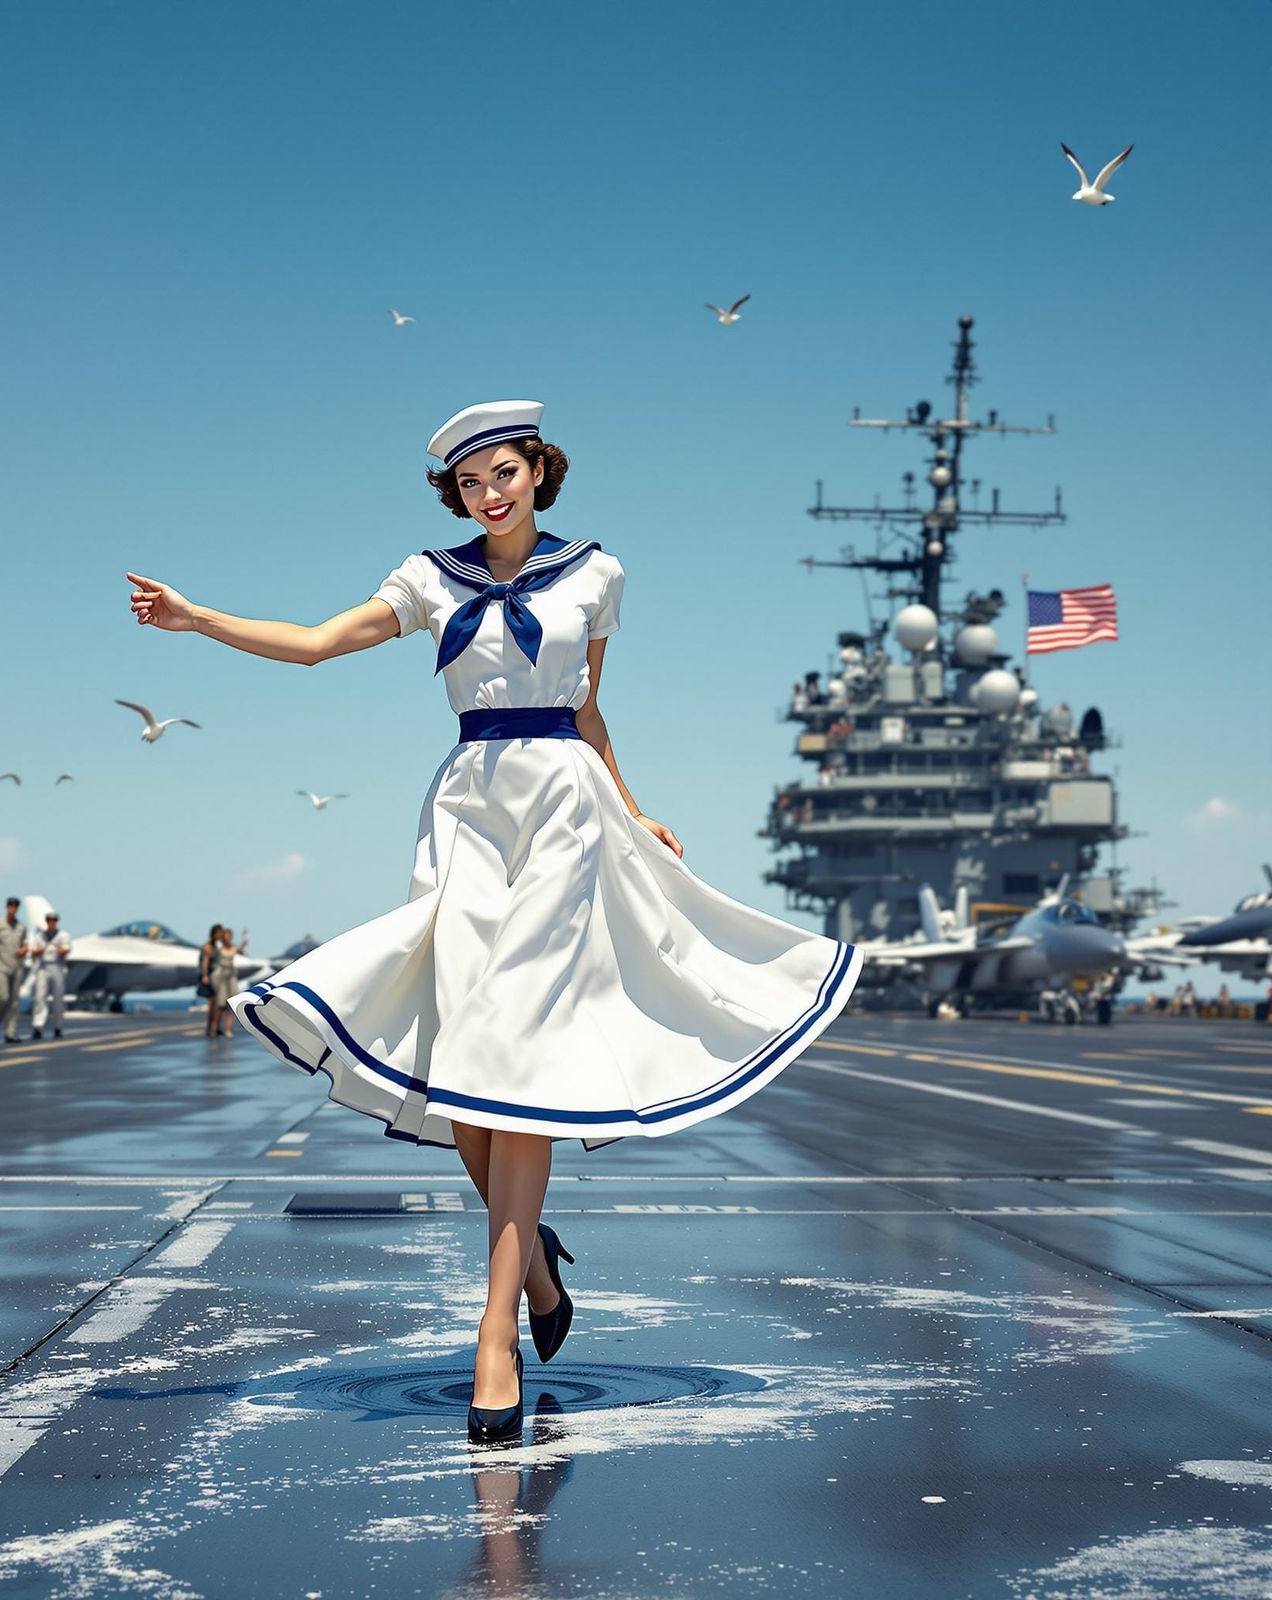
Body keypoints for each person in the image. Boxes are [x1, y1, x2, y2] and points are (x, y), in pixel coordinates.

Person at [124, 398, 860, 1444]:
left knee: (514, 1068)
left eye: (502, 474)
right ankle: (541, 1270)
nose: (489, 494)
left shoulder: (596, 572)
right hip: (469, 810)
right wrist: (201, 621)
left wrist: (633, 805)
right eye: (470, 484)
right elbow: (320, 643)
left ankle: (495, 1334)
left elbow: (589, 707)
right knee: (472, 1064)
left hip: (564, 806)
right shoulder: (428, 576)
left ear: (538, 470)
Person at [0, 896, 28, 1044]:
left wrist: (24, 949)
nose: (12, 909)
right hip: (1, 965)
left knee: (14, 1002)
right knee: (2, 998)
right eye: (10, 906)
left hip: (17, 966)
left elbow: (24, 944)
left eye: (15, 906)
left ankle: (10, 1034)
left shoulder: (21, 927)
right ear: (6, 907)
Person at [29, 909, 73, 1040]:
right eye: (49, 920)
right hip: (43, 967)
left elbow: (66, 950)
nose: (51, 923)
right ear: (46, 922)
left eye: (54, 920)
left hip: (57, 966)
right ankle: (38, 1026)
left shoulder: (63, 936)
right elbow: (33, 952)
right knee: (39, 997)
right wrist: (40, 951)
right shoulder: (39, 936)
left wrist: (60, 949)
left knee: (58, 999)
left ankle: (58, 1027)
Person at [209, 925, 248, 1037]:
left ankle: (227, 1029)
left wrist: (244, 937)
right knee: (220, 1004)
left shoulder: (233, 948)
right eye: (226, 936)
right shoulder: (218, 947)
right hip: (221, 976)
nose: (228, 938)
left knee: (230, 1004)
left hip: (231, 976)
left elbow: (241, 948)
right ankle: (215, 1028)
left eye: (230, 936)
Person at [201, 923, 223, 1034]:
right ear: (213, 934)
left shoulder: (220, 945)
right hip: (212, 975)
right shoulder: (208, 946)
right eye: (218, 933)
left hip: (221, 975)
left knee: (219, 1004)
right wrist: (205, 976)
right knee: (213, 1003)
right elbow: (205, 962)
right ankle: (210, 1028)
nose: (220, 935)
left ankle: (216, 1027)